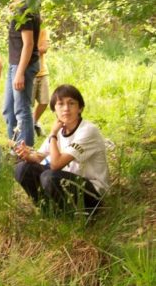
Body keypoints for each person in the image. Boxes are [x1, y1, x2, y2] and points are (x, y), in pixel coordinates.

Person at [14, 85, 109, 214]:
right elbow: (39, 156)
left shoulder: (87, 130)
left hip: (93, 191)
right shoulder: (61, 130)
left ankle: (81, 215)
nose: (66, 108)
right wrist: (27, 155)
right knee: (22, 168)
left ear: (80, 108)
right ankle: (49, 211)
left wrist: (53, 134)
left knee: (49, 177)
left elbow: (56, 164)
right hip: (68, 182)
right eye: (60, 104)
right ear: (54, 110)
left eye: (71, 103)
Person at [2, 0, 41, 147]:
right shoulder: (22, 9)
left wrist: (19, 72)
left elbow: (29, 43)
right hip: (15, 66)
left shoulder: (24, 10)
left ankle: (26, 153)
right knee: (8, 110)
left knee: (21, 110)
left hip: (22, 66)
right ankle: (15, 147)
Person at [33, 27, 50, 136]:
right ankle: (29, 127)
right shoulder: (23, 28)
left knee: (44, 101)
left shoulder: (43, 29)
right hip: (29, 73)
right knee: (28, 104)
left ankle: (34, 122)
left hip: (42, 71)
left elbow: (44, 48)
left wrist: (30, 49)